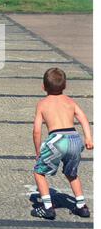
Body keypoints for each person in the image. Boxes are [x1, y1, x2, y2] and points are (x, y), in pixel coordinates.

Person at [31, 67, 93, 220]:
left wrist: (38, 151)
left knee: (39, 172)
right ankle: (81, 206)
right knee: (71, 173)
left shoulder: (42, 103)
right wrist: (88, 138)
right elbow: (83, 118)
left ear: (43, 86)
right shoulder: (70, 101)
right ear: (65, 86)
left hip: (56, 140)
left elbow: (37, 131)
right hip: (74, 139)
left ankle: (48, 208)